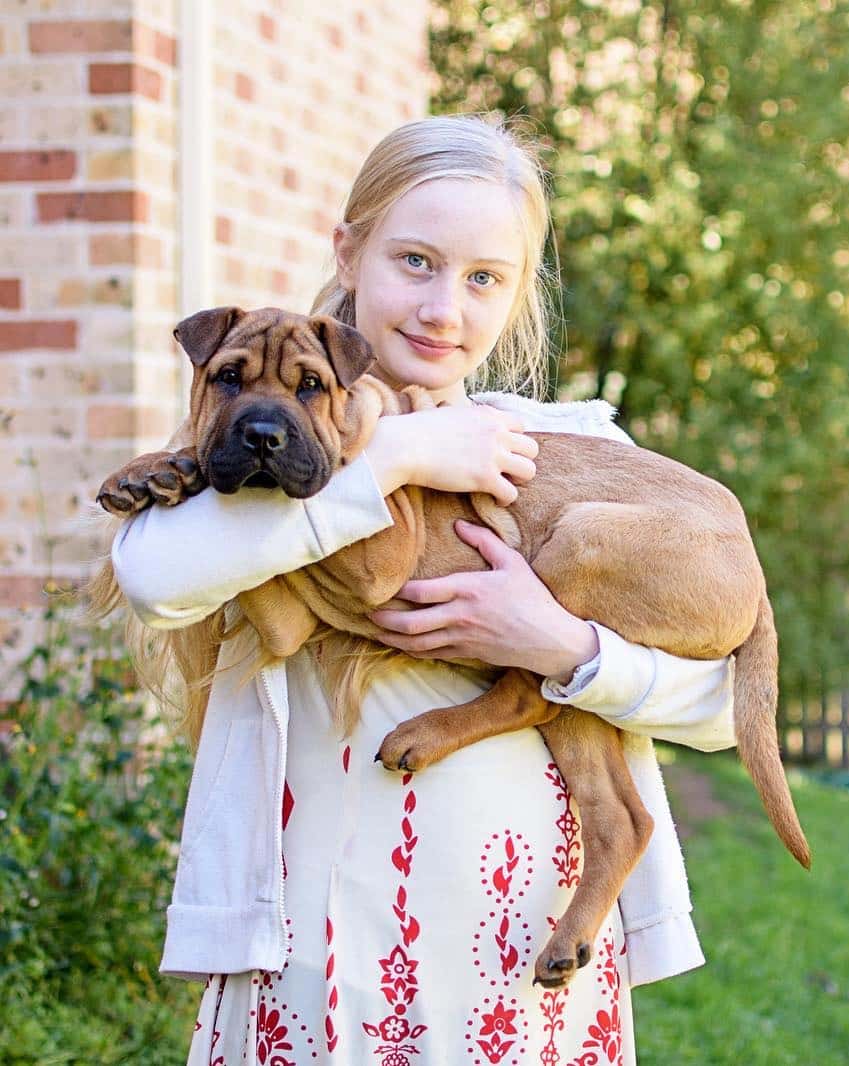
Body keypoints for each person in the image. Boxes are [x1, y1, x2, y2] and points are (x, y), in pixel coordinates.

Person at [110, 113, 738, 1066]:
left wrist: (562, 646)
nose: (445, 308)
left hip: (525, 946)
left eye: (485, 278)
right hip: (321, 944)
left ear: (518, 293)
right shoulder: (267, 446)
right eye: (416, 261)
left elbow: (726, 708)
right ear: (349, 252)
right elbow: (155, 578)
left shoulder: (568, 449)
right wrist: (399, 453)